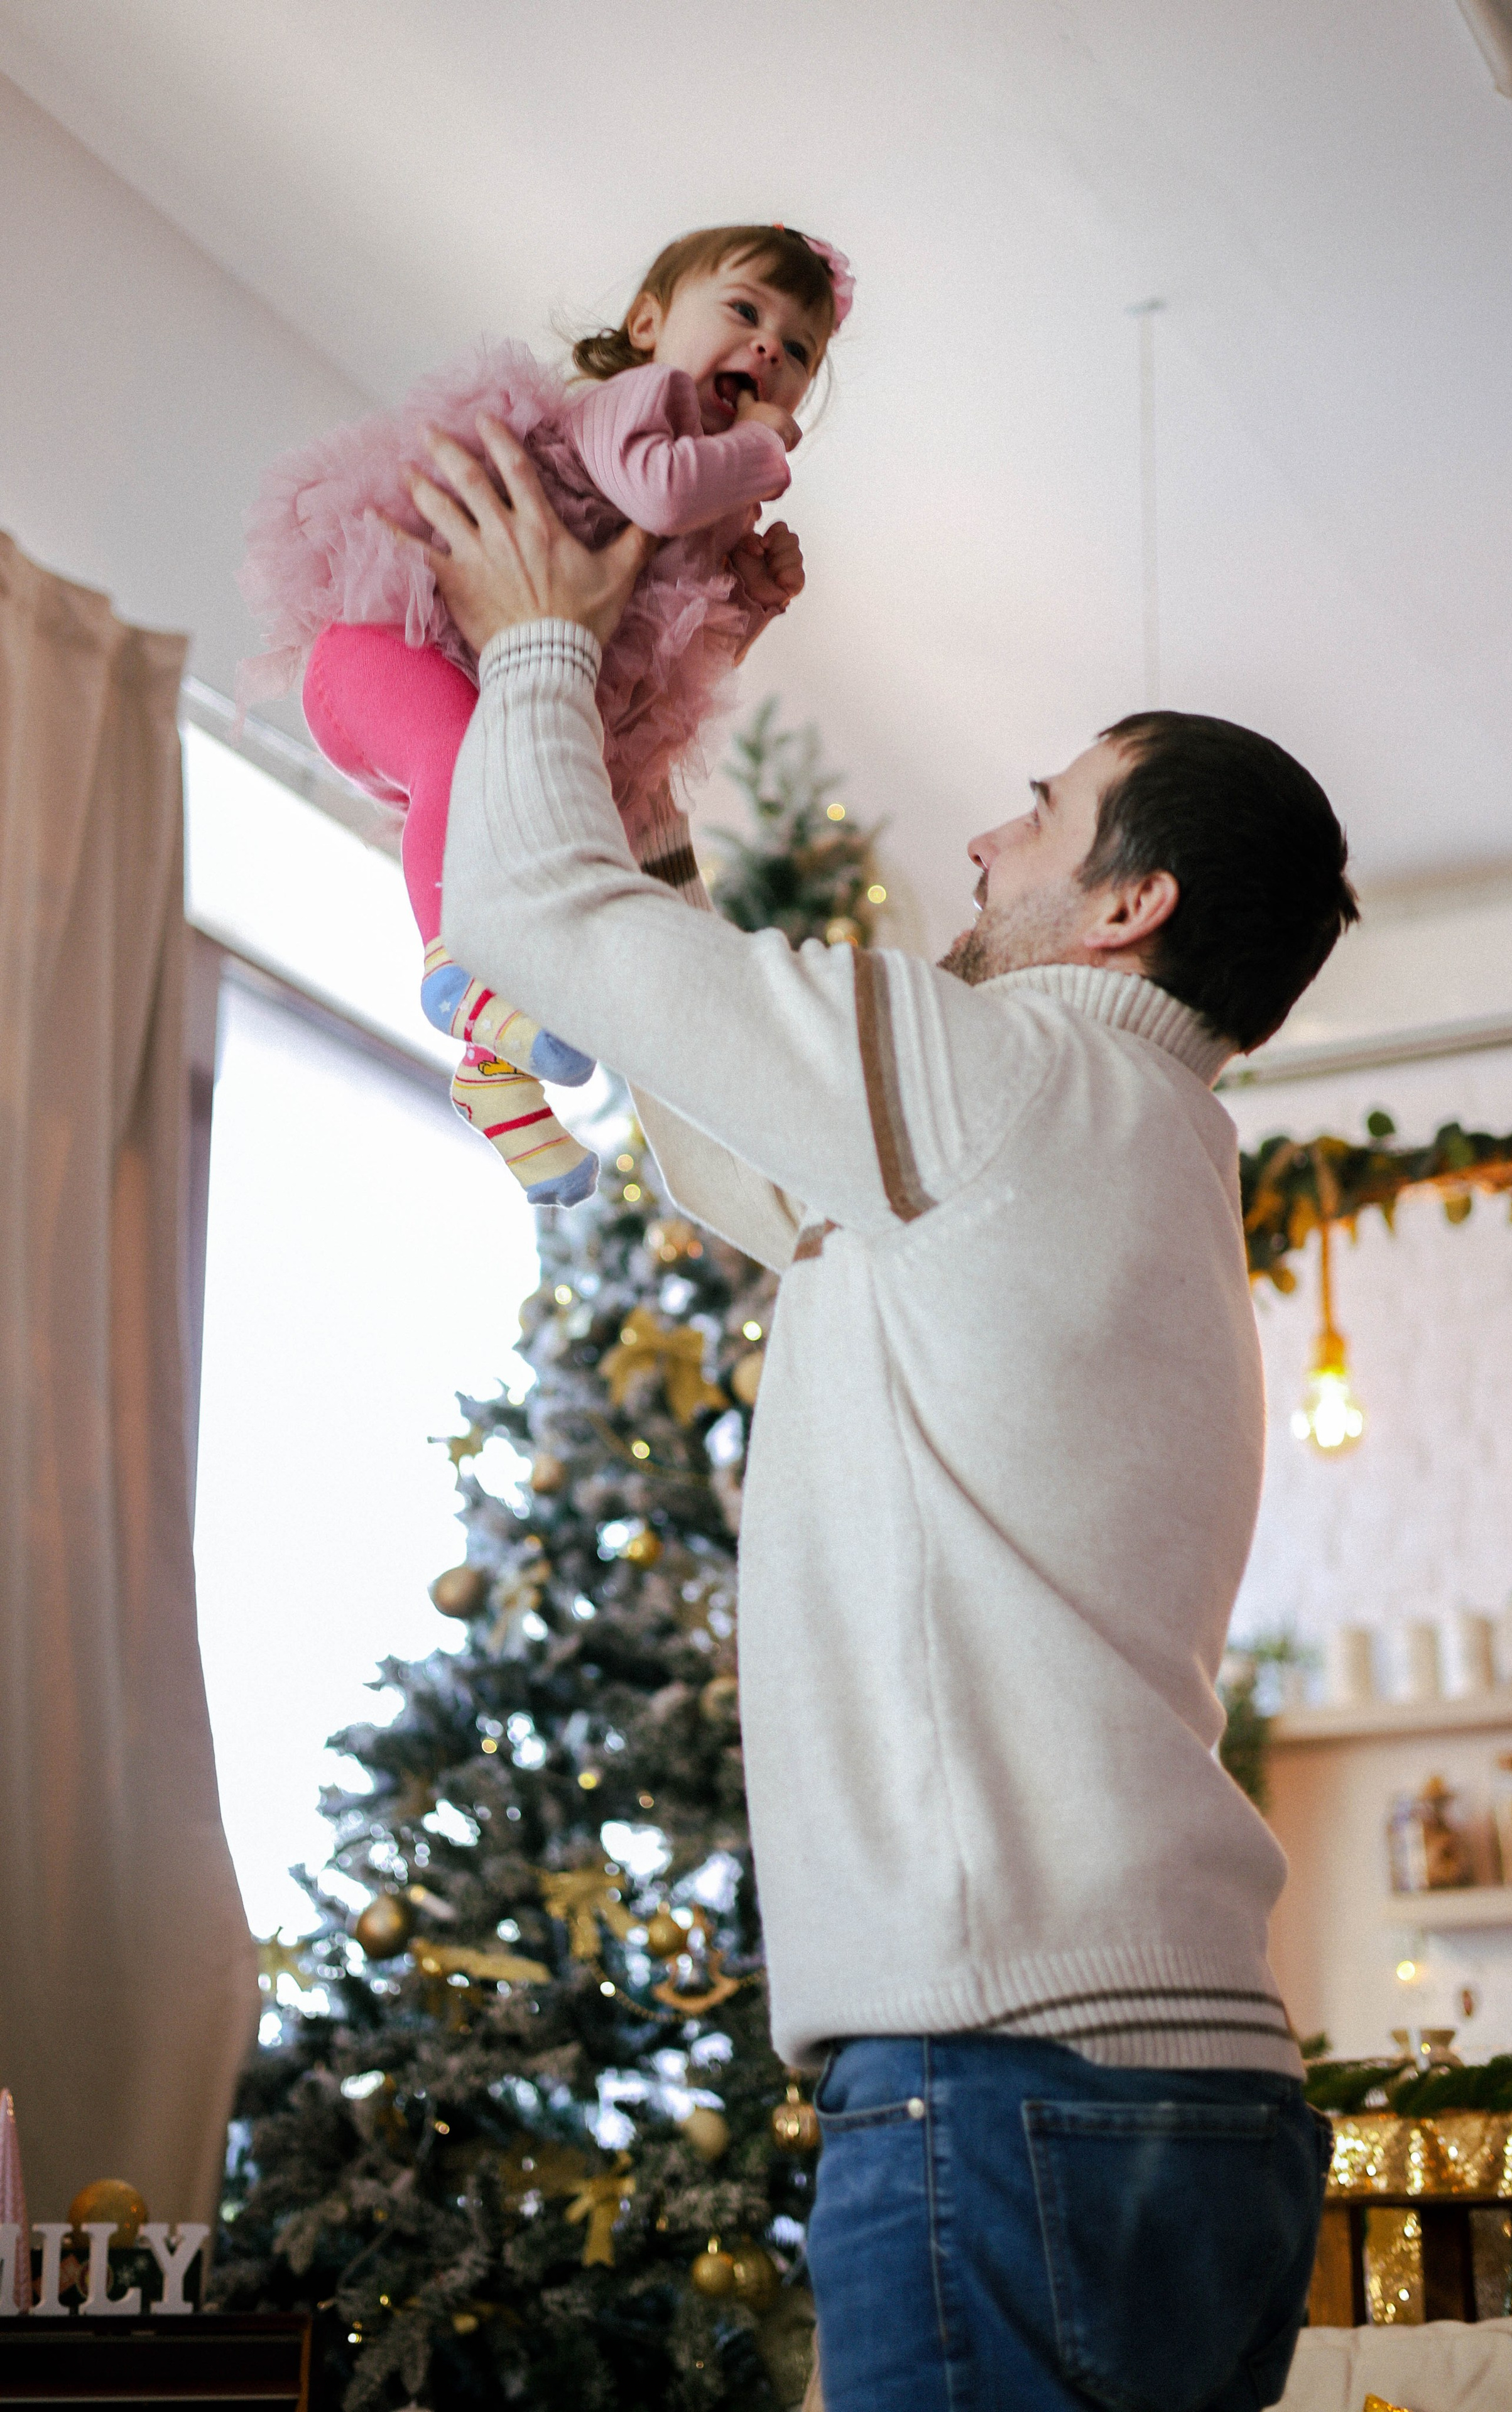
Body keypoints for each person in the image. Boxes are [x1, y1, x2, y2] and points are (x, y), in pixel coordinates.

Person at [406, 418, 1354, 2412]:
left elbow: (522, 902)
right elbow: (732, 1147)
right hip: (1189, 2105)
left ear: (1128, 905)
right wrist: (652, 732)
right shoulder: (1129, 1142)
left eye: (1042, 808)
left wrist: (535, 643)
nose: (989, 841)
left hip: (1014, 2081)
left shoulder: (1004, 1077)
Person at [237, 223, 851, 1199]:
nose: (772, 349)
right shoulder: (636, 405)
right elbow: (657, 488)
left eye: (800, 350)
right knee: (466, 760)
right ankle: (457, 966)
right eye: (744, 311)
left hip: (476, 694)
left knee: (517, 821)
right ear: (649, 324)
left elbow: (649, 667)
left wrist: (751, 603)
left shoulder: (707, 509)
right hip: (381, 649)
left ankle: (502, 1092)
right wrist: (758, 452)